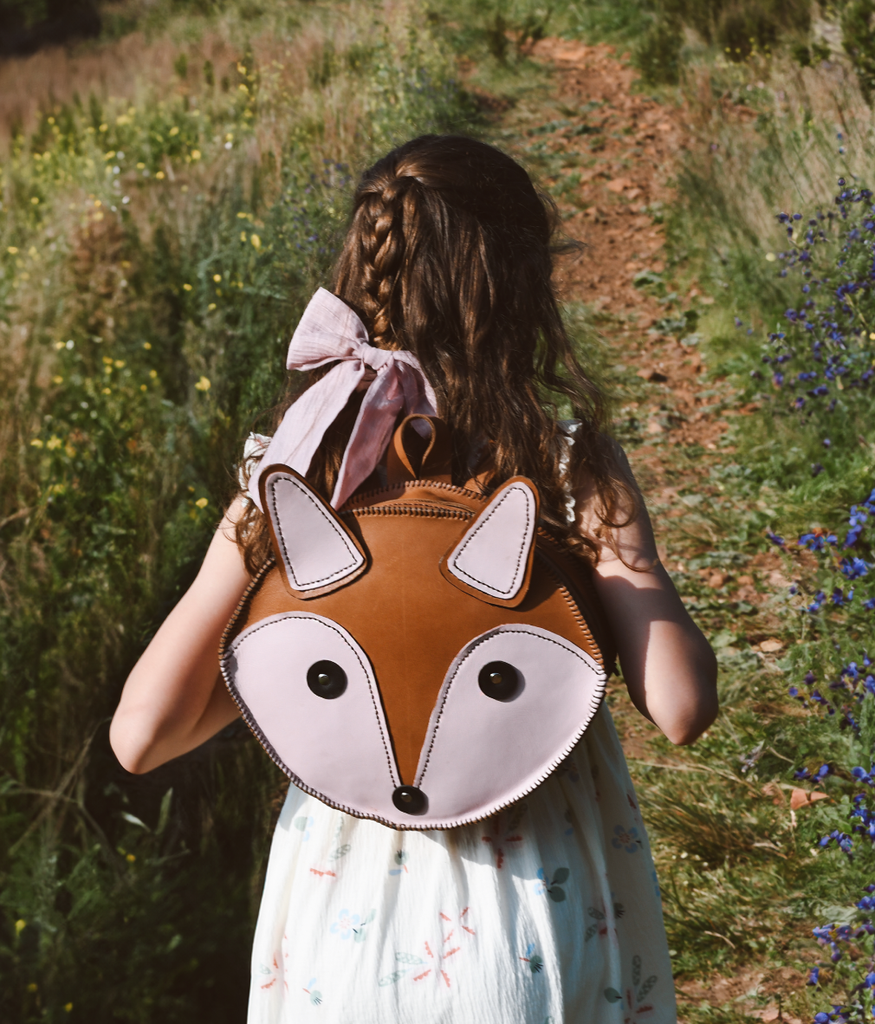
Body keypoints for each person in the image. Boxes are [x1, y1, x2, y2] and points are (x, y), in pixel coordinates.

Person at [109, 134, 718, 1023]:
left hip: (342, 926)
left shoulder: (296, 478)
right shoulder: (563, 466)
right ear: (522, 287)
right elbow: (680, 706)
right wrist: (629, 551)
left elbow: (140, 737)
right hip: (533, 909)